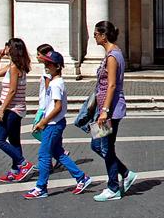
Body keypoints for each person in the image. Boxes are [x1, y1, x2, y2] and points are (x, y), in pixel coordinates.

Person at [25, 51, 93, 198]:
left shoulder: (56, 84)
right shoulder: (56, 82)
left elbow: (57, 107)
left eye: (48, 64)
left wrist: (43, 122)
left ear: (57, 66)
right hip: (56, 123)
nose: (46, 66)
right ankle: (81, 177)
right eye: (45, 63)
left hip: (53, 124)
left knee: (44, 155)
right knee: (59, 154)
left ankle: (41, 187)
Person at [90, 20, 135, 200]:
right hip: (106, 108)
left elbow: (111, 85)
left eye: (95, 34)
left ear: (103, 35)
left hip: (110, 110)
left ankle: (113, 188)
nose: (93, 36)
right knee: (97, 145)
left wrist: (104, 111)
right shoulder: (112, 54)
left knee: (106, 147)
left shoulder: (112, 56)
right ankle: (125, 173)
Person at [0, 37, 32, 182]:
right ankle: (15, 171)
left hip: (12, 110)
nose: (5, 48)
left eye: (7, 46)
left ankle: (23, 164)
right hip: (15, 109)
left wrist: (2, 109)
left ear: (12, 48)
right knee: (14, 141)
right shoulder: (13, 65)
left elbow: (12, 91)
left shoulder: (15, 67)